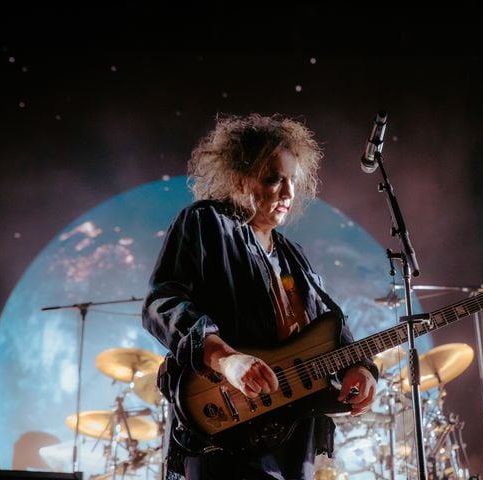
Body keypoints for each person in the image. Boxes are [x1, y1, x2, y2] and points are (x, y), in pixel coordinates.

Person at [142, 113, 378, 480]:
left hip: (290, 436)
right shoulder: (205, 223)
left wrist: (360, 367)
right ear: (239, 178)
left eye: (292, 181)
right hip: (225, 424)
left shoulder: (293, 256)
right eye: (273, 179)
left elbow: (329, 328)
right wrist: (227, 360)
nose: (288, 193)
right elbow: (162, 303)